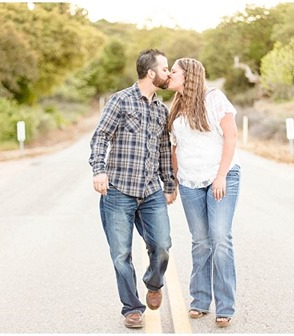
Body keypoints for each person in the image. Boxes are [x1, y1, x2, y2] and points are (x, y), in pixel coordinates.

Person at [88, 49, 177, 329]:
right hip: (118, 190)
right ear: (151, 73)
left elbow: (164, 149)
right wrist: (99, 170)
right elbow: (101, 135)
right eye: (165, 69)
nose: (168, 73)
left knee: (162, 246)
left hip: (151, 191)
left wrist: (169, 184)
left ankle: (154, 282)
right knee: (121, 254)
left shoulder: (161, 110)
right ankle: (131, 307)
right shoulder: (121, 101)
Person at [165, 58, 241, 328]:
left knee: (220, 238)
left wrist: (221, 176)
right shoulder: (174, 107)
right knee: (200, 241)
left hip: (220, 177)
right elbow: (175, 149)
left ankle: (225, 305)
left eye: (173, 71)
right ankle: (199, 299)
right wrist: (172, 183)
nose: (168, 75)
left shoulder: (214, 98)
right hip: (189, 181)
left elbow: (231, 136)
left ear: (189, 75)